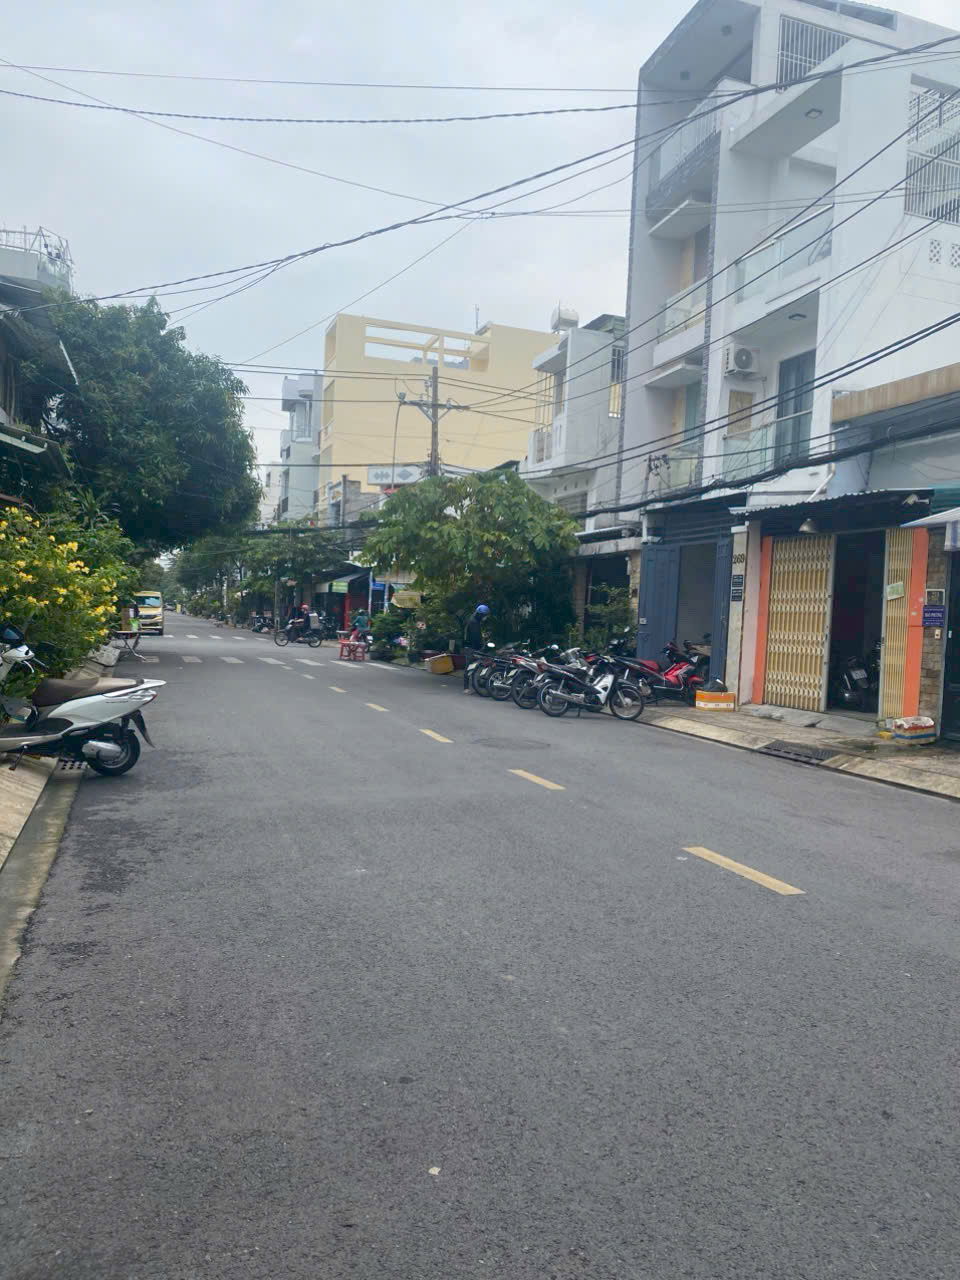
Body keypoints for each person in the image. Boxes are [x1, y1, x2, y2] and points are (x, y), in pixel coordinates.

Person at [463, 604, 490, 691]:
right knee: (469, 666)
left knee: (472, 666)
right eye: (484, 615)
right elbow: (475, 637)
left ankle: (472, 686)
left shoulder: (474, 620)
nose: (485, 617)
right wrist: (481, 645)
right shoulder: (473, 622)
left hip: (470, 646)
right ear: (480, 614)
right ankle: (466, 687)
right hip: (472, 647)